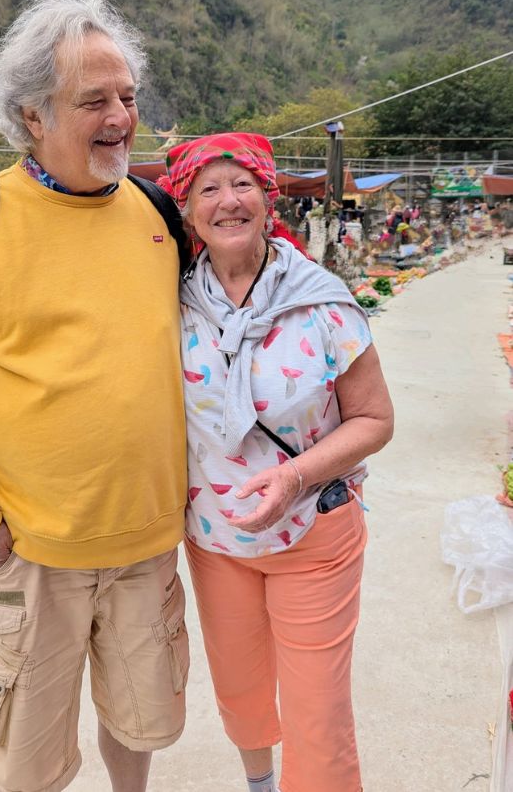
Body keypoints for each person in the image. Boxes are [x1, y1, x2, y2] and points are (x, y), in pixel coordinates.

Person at [0, 0, 190, 792]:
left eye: (126, 96)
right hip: (30, 554)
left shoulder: (159, 215)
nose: (121, 116)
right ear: (31, 116)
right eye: (94, 101)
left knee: (140, 725)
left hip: (145, 548)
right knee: (23, 761)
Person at [161, 132, 394, 792]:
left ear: (269, 200)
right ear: (187, 212)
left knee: (316, 712)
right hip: (214, 538)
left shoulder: (320, 301)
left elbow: (375, 420)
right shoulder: (172, 302)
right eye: (208, 188)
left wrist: (293, 474)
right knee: (239, 688)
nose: (226, 201)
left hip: (312, 535)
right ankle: (259, 783)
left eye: (242, 186)